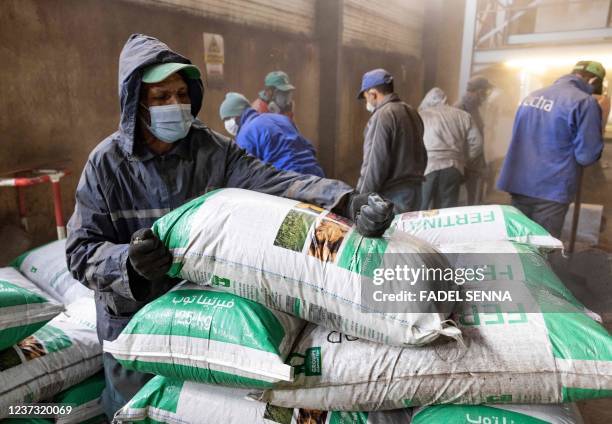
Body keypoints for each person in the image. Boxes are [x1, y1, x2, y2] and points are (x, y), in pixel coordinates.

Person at [65, 34, 394, 419]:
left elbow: (275, 181)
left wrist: (346, 202)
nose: (176, 105)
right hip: (133, 324)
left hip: (205, 319)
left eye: (182, 94)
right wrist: (128, 263)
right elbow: (80, 250)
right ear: (136, 104)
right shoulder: (106, 165)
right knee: (133, 414)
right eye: (161, 98)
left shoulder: (212, 151)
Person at [497, 61, 606, 238]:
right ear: (593, 80)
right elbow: (586, 155)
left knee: (517, 242)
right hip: (551, 188)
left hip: (518, 182)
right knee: (541, 249)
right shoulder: (584, 102)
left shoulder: (532, 96)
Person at [356, 68, 427, 213]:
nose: (367, 102)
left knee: (390, 235)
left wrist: (358, 201)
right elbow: (423, 154)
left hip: (394, 196)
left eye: (366, 97)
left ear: (373, 93)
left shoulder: (383, 115)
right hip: (416, 192)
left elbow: (374, 163)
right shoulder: (411, 112)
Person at [220, 92, 324, 177]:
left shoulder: (245, 135)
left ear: (236, 116)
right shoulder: (281, 118)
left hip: (290, 181)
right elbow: (309, 147)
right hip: (316, 175)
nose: (226, 124)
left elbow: (245, 173)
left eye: (226, 119)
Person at [418, 87, 483, 209]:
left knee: (421, 209)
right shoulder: (464, 116)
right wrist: (465, 160)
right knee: (446, 212)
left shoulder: (421, 116)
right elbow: (477, 144)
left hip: (427, 168)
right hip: (453, 167)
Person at [455, 76, 493, 205]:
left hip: (473, 164)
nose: (486, 96)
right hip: (465, 164)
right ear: (478, 91)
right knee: (463, 203)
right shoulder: (460, 109)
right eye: (485, 92)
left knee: (473, 202)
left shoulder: (474, 108)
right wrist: (468, 160)